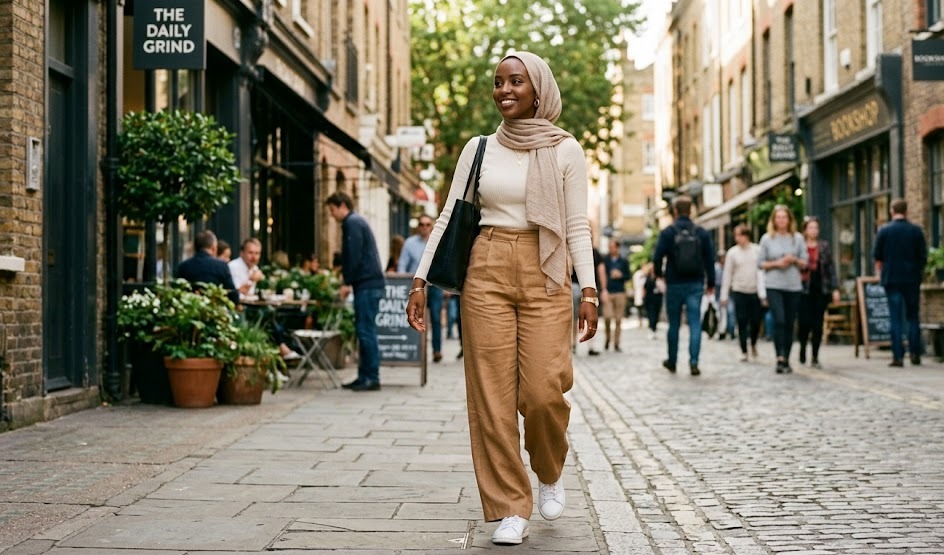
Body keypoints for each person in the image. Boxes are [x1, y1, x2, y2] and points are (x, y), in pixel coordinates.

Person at [404, 51, 598, 545]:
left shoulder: (565, 149)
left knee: (543, 392)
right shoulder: (478, 148)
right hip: (485, 267)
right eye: (498, 82)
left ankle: (549, 470)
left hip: (546, 269)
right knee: (490, 397)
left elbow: (576, 225)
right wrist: (420, 280)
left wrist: (591, 289)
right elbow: (448, 216)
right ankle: (511, 506)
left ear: (539, 90)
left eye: (516, 81)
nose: (505, 90)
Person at [326, 191, 386, 391]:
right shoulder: (356, 221)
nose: (332, 215)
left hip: (367, 284)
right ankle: (365, 375)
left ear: (343, 205)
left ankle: (371, 376)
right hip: (368, 283)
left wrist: (346, 282)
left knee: (365, 331)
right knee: (364, 331)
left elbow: (353, 255)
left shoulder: (352, 223)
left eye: (333, 210)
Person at [652, 195, 715, 376]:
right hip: (695, 283)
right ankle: (694, 362)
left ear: (675, 211)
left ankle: (672, 361)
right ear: (691, 210)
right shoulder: (701, 232)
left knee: (674, 324)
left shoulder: (668, 233)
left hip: (674, 283)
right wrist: (710, 282)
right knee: (695, 323)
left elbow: (657, 257)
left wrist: (659, 275)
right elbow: (709, 259)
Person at [873, 198, 928, 367]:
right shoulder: (916, 231)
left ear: (891, 211)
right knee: (913, 316)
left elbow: (877, 256)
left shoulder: (884, 231)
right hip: (911, 279)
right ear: (906, 211)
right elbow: (923, 257)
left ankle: (897, 356)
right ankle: (915, 354)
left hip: (892, 279)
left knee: (895, 318)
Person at [758, 204, 808, 373]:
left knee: (789, 322)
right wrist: (777, 263)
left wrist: (793, 260)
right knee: (779, 320)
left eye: (784, 217)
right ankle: (779, 356)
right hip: (774, 285)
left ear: (789, 220)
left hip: (793, 286)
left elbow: (805, 262)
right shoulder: (767, 239)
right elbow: (760, 263)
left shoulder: (798, 238)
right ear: (774, 220)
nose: (781, 220)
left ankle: (786, 357)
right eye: (778, 217)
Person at [398, 215, 445, 362]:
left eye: (427, 224)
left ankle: (437, 350)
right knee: (416, 316)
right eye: (421, 224)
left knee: (436, 318)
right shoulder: (409, 243)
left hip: (434, 286)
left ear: (431, 226)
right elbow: (402, 266)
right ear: (418, 226)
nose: (424, 227)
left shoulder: (438, 241)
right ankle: (416, 351)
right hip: (416, 288)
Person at [796, 217, 840, 368]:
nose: (813, 230)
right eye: (811, 228)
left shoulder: (824, 246)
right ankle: (802, 348)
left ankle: (815, 356)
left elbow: (831, 268)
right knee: (804, 323)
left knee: (817, 324)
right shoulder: (799, 246)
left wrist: (835, 289)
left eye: (816, 228)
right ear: (805, 230)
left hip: (820, 289)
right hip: (803, 289)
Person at [720, 225, 763, 362]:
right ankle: (744, 350)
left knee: (756, 321)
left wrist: (763, 293)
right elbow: (727, 274)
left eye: (739, 235)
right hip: (739, 291)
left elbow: (762, 272)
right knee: (742, 321)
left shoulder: (757, 250)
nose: (737, 238)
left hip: (755, 291)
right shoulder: (732, 253)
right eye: (736, 235)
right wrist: (724, 295)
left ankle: (754, 343)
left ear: (746, 236)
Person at [175, 230, 239, 304]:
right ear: (214, 248)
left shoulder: (184, 266)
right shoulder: (221, 266)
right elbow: (233, 296)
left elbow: (178, 292)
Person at [602, 239, 630, 352]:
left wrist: (621, 275)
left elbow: (628, 276)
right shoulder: (605, 260)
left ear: (617, 248)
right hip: (608, 292)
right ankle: (608, 338)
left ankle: (616, 343)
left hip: (620, 292)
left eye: (612, 247)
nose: (610, 249)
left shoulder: (624, 261)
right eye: (609, 247)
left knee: (618, 319)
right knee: (607, 317)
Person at [642, 262, 662, 339]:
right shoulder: (647, 278)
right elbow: (644, 288)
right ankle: (651, 329)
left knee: (656, 315)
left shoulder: (659, 277)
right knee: (651, 315)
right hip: (649, 299)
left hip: (657, 299)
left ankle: (654, 329)